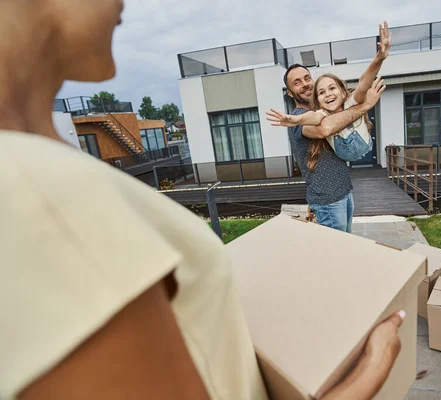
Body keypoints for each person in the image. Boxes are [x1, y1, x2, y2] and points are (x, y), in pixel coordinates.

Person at [0, 1, 406, 400]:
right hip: (327, 199)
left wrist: (375, 65)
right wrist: (363, 381)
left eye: (310, 81)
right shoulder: (38, 194)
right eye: (298, 84)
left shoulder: (45, 179)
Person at [268, 22, 391, 164]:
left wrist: (379, 59)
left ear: (343, 91)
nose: (328, 94)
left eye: (332, 88)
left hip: (364, 146)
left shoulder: (350, 103)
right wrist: (298, 120)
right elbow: (314, 118)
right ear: (318, 99)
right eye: (321, 92)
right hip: (339, 165)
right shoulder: (322, 113)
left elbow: (363, 83)